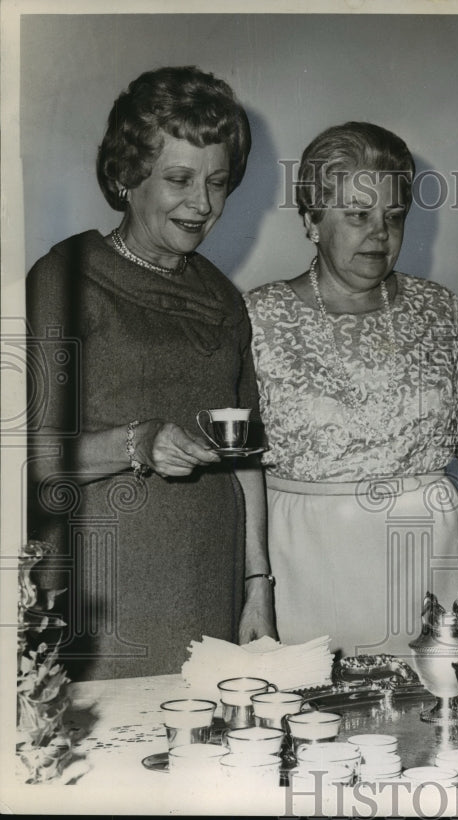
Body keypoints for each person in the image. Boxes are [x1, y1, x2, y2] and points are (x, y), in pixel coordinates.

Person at [26, 66, 276, 680]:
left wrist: (257, 585)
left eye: (218, 182)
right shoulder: (66, 279)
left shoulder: (223, 297)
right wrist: (137, 442)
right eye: (179, 179)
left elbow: (243, 456)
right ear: (125, 176)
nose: (203, 204)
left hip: (210, 575)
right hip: (107, 584)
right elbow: (27, 455)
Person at [244, 122, 458, 659]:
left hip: (431, 570)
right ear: (311, 220)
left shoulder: (441, 311)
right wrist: (255, 586)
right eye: (358, 215)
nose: (379, 233)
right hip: (307, 572)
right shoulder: (257, 318)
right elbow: (240, 466)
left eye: (393, 217)